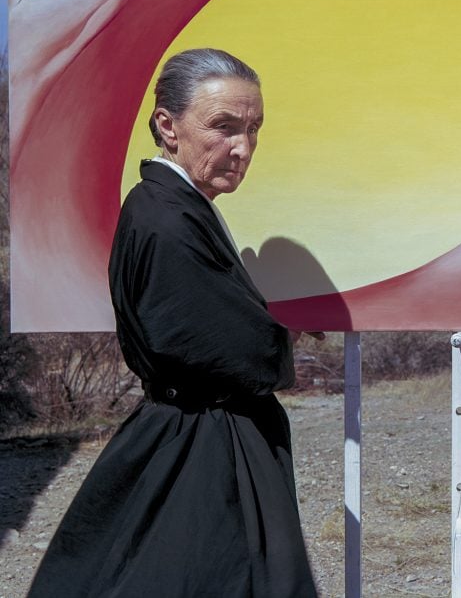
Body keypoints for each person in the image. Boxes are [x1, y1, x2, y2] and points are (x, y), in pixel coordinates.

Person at [29, 48, 319, 598]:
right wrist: (281, 335)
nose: (243, 148)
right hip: (201, 440)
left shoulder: (177, 207)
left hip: (199, 430)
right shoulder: (164, 218)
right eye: (224, 127)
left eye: (254, 129)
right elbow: (217, 346)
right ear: (168, 125)